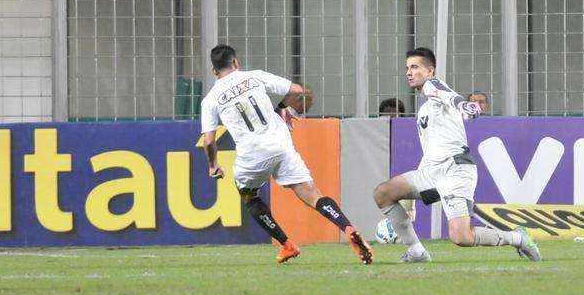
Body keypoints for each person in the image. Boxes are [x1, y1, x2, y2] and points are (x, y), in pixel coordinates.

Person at [198, 44, 373, 265]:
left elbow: (209, 140)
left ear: (214, 71)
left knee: (249, 195)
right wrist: (286, 108)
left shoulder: (211, 99)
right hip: (281, 145)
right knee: (311, 193)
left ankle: (287, 245)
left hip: (252, 155)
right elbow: (297, 91)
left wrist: (213, 165)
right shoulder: (255, 77)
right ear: (236, 63)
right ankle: (348, 228)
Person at [373, 47, 540, 263]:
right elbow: (433, 150)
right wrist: (409, 201)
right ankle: (416, 252)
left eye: (415, 67)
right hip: (432, 171)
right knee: (384, 193)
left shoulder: (433, 87)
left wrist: (463, 105)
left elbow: (449, 95)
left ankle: (518, 237)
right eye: (407, 68)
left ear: (430, 71)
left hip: (455, 170)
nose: (409, 72)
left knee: (461, 237)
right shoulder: (424, 109)